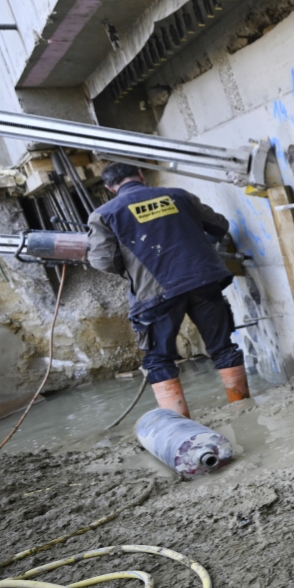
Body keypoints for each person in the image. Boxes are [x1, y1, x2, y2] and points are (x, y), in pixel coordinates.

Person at [85, 162, 249, 415]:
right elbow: (219, 226)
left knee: (159, 359)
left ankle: (180, 424)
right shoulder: (178, 195)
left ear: (109, 188)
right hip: (203, 280)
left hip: (156, 293)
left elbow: (103, 260)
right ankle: (243, 407)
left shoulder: (104, 214)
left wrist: (134, 268)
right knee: (222, 347)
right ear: (141, 175)